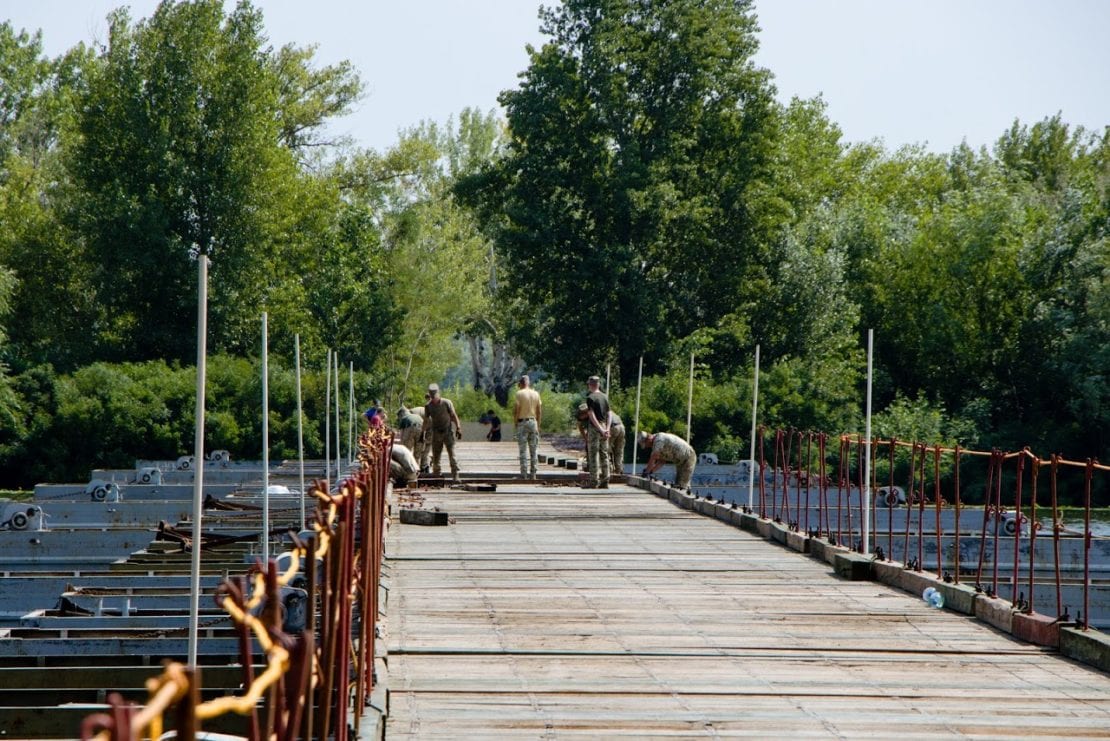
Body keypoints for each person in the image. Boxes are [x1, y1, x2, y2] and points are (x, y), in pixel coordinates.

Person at [422, 383, 462, 480]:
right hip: (436, 433)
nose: (433, 398)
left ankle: (455, 475)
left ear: (438, 394)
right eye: (432, 396)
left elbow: (453, 415)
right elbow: (426, 420)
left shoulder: (446, 403)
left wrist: (458, 427)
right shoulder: (428, 406)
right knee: (436, 456)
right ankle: (437, 475)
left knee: (452, 454)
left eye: (434, 395)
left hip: (447, 431)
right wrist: (422, 433)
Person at [512, 374, 543, 478]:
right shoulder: (536, 394)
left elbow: (517, 409)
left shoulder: (519, 394)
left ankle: (524, 474)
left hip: (522, 422)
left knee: (523, 450)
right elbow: (539, 411)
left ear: (520, 384)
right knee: (534, 449)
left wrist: (515, 422)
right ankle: (533, 473)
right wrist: (538, 425)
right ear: (528, 383)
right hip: (533, 422)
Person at [584, 375, 610, 488]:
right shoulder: (605, 397)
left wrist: (600, 429)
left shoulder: (590, 398)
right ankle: (605, 480)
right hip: (605, 426)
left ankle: (594, 481)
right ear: (598, 384)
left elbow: (591, 414)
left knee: (593, 454)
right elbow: (609, 414)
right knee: (604, 454)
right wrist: (607, 429)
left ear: (590, 385)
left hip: (595, 427)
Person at [608, 410, 625, 475]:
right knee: (619, 451)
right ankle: (619, 470)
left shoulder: (602, 411)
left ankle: (609, 469)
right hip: (622, 427)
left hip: (613, 427)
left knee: (607, 449)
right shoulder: (613, 413)